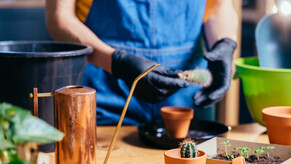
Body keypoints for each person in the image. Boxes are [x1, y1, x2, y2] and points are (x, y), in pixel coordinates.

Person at [45, 0, 238, 125]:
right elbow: (60, 18)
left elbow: (220, 6)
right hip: (107, 89)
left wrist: (224, 44)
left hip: (186, 96)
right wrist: (117, 63)